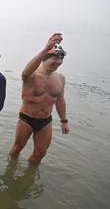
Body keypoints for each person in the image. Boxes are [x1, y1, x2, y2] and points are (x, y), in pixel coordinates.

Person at [9, 33, 69, 163]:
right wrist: (46, 48)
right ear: (44, 58)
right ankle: (10, 169)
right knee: (17, 148)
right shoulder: (31, 76)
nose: (58, 62)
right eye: (55, 58)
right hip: (26, 119)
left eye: (61, 58)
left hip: (45, 121)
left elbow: (60, 101)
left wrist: (64, 121)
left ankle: (30, 176)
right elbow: (25, 72)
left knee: (40, 153)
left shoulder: (60, 78)